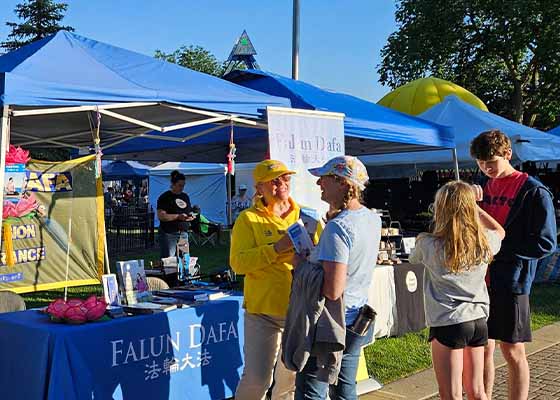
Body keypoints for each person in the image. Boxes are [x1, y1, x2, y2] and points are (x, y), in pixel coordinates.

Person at [470, 130, 557, 400]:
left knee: (512, 350)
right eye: (481, 163)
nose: (486, 168)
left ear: (508, 154)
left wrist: (500, 251)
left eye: (491, 163)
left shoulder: (533, 191)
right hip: (477, 280)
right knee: (482, 348)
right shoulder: (479, 184)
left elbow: (545, 243)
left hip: (511, 281)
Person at [230, 159, 322, 400]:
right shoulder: (247, 219)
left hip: (299, 311)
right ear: (259, 188)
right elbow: (238, 263)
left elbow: (324, 257)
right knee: (257, 380)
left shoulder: (307, 216)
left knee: (289, 381)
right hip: (263, 313)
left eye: (285, 178)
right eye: (274, 180)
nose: (281, 183)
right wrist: (275, 249)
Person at [292, 156, 381, 400]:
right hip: (356, 318)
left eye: (324, 178)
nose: (319, 183)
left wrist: (301, 266)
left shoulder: (338, 227)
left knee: (312, 391)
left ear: (342, 183)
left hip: (331, 324)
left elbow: (332, 289)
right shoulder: (372, 218)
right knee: (344, 389)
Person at [409, 181, 504, 400]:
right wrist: (476, 207)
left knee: (450, 394)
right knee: (478, 391)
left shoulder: (428, 244)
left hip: (448, 320)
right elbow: (500, 230)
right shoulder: (484, 242)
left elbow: (413, 259)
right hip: (478, 319)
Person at [157, 170, 195, 258]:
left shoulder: (185, 196)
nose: (182, 188)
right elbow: (161, 216)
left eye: (183, 185)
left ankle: (181, 272)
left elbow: (187, 211)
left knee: (184, 260)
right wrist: (178, 216)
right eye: (180, 185)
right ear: (173, 184)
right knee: (168, 261)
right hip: (169, 233)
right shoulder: (165, 197)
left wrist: (190, 216)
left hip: (183, 234)